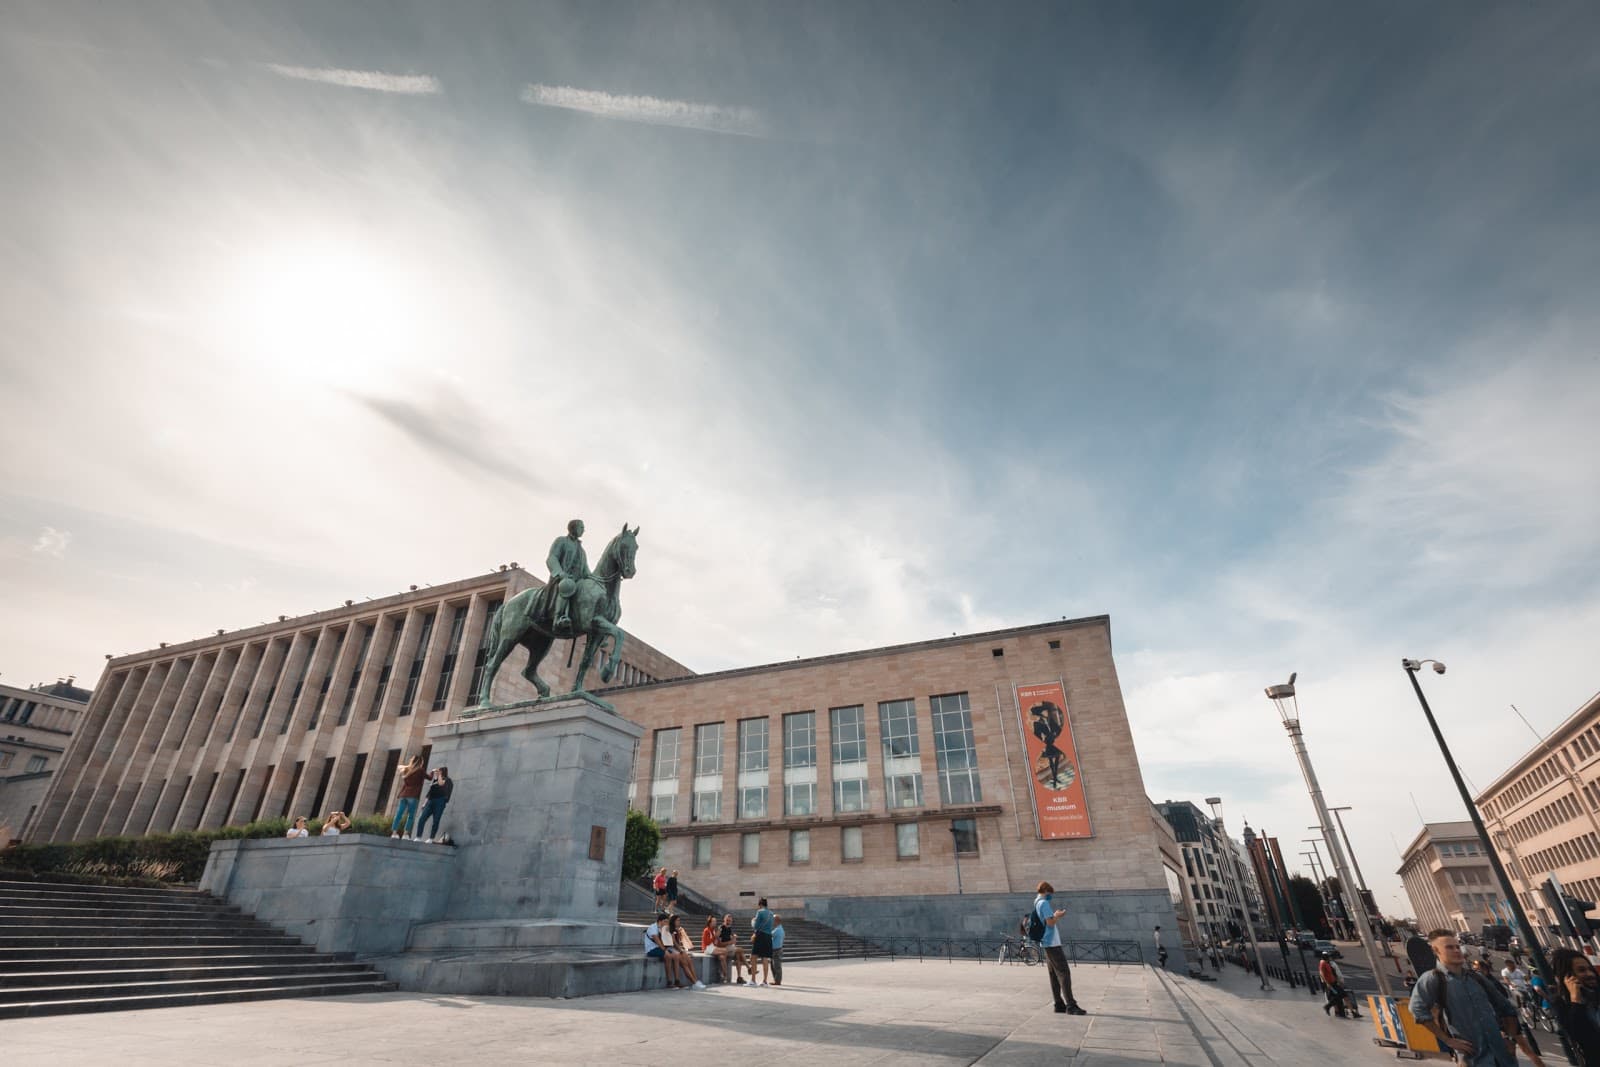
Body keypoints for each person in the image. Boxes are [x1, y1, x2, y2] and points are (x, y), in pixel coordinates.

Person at [1409, 929, 1518, 1066]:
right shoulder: (1433, 979)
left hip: (1503, 1057)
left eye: (1457, 946)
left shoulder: (1476, 978)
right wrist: (1448, 1040)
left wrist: (1511, 1039)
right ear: (1436, 951)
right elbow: (1417, 1010)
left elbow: (1506, 1008)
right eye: (1449, 947)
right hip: (1474, 1059)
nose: (1456, 950)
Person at [1035, 880, 1086, 1015]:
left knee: (1053, 975)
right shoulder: (1044, 903)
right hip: (1052, 942)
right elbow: (1050, 923)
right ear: (1046, 891)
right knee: (1064, 973)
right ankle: (1071, 1005)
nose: (1051, 896)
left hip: (1045, 942)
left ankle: (1058, 1004)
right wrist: (1057, 915)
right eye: (1050, 893)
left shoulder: (1036, 903)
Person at [1549, 947, 1600, 1064]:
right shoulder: (1562, 1004)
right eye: (1582, 970)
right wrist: (1575, 1000)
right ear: (1567, 977)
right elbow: (1577, 1034)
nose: (1590, 974)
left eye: (1590, 969)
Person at [546, 519, 591, 633]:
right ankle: (558, 618)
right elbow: (552, 558)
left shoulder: (582, 551)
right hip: (562, 579)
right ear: (574, 528)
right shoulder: (561, 541)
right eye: (581, 527)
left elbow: (586, 571)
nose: (583, 530)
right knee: (568, 585)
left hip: (577, 581)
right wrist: (560, 573)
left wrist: (599, 580)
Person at [644, 911, 694, 989]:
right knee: (668, 955)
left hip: (659, 948)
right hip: (652, 949)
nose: (666, 923)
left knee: (676, 956)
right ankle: (669, 982)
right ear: (660, 921)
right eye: (665, 921)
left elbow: (668, 941)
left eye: (667, 922)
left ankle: (677, 981)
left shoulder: (663, 928)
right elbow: (658, 942)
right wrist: (665, 950)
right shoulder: (652, 928)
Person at [390, 754, 426, 839]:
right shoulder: (420, 770)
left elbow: (399, 767)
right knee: (411, 815)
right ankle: (405, 834)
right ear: (421, 762)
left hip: (404, 795)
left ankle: (394, 833)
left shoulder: (407, 770)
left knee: (399, 814)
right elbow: (430, 777)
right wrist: (434, 772)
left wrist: (408, 766)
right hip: (413, 795)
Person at [416, 766, 452, 842]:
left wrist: (438, 776)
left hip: (440, 802)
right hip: (431, 801)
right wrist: (424, 804)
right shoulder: (435, 780)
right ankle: (418, 836)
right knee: (422, 818)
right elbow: (429, 793)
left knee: (436, 820)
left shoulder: (447, 780)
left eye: (439, 771)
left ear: (442, 772)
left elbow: (441, 784)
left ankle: (431, 838)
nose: (437, 772)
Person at [715, 913, 749, 984]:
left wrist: (734, 938)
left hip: (729, 948)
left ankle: (739, 977)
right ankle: (748, 967)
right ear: (724, 920)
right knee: (740, 950)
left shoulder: (729, 928)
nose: (728, 922)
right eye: (727, 920)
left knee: (738, 957)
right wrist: (731, 942)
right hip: (723, 948)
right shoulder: (721, 928)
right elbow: (719, 943)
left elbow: (732, 938)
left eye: (730, 921)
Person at [751, 897, 775, 986]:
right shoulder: (771, 913)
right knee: (765, 958)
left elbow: (755, 926)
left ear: (760, 904)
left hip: (760, 936)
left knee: (753, 957)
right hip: (768, 936)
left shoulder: (760, 912)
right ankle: (765, 981)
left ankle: (753, 980)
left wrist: (752, 921)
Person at [770, 914, 785, 986]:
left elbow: (769, 935)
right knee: (774, 966)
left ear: (776, 921)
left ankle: (777, 981)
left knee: (776, 966)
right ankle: (776, 980)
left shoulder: (777, 930)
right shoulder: (780, 928)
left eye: (773, 920)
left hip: (776, 950)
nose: (772, 922)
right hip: (777, 949)